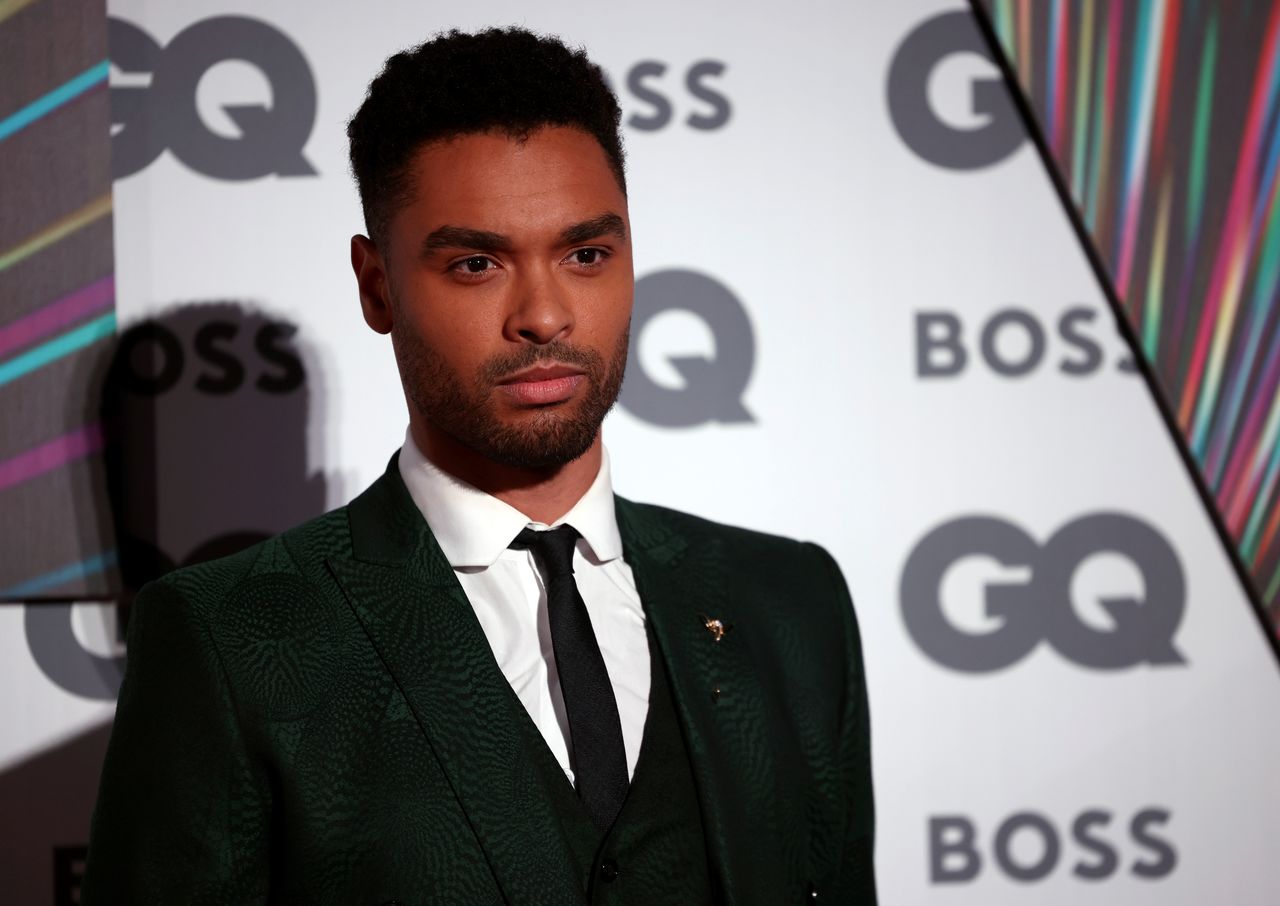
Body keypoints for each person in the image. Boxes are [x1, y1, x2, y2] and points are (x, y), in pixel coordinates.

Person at [82, 27, 875, 905]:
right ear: (377, 285)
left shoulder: (791, 605)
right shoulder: (228, 641)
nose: (544, 315)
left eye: (586, 254)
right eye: (476, 263)